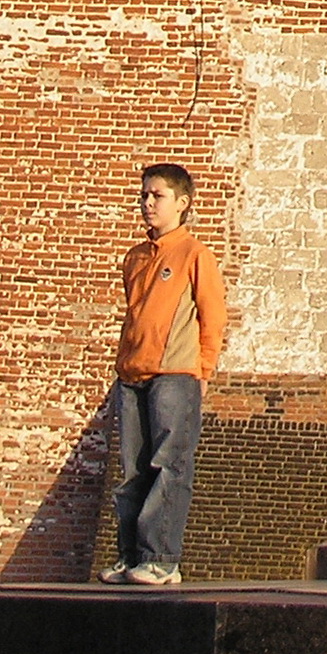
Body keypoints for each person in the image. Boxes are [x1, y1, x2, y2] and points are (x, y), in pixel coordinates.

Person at [100, 161, 225, 587]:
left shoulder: (195, 255)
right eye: (144, 195)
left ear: (182, 203)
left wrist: (202, 369)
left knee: (168, 465)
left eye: (158, 196)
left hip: (175, 372)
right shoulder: (135, 257)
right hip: (133, 373)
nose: (148, 204)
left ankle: (161, 559)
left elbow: (213, 316)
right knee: (132, 469)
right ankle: (130, 555)